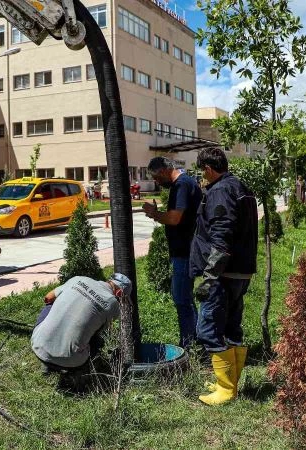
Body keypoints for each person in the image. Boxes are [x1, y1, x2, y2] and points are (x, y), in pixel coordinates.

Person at [190, 147, 258, 406]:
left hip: (222, 274)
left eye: (202, 172)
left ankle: (226, 389)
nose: (202, 177)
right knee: (231, 327)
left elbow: (221, 236)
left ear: (208, 169)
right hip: (240, 271)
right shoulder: (240, 187)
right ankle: (229, 384)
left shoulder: (220, 191)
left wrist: (208, 276)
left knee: (208, 329)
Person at [30, 273, 132, 387]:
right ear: (119, 293)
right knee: (97, 339)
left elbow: (48, 298)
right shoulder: (113, 305)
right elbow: (99, 331)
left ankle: (47, 360)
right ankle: (76, 374)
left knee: (50, 305)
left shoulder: (79, 279)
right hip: (72, 362)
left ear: (110, 281)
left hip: (37, 346)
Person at [142, 157, 203, 348]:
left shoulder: (182, 185)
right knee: (185, 297)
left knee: (181, 298)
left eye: (156, 178)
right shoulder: (185, 182)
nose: (158, 183)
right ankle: (193, 339)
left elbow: (175, 218)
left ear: (162, 171)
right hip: (185, 249)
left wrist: (154, 213)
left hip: (184, 251)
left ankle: (188, 344)